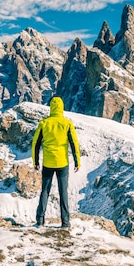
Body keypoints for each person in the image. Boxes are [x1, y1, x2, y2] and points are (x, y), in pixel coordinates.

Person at [32, 96, 80, 228]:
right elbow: (74, 143)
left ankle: (40, 220)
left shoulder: (44, 124)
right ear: (62, 108)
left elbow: (35, 144)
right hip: (62, 163)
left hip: (48, 163)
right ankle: (65, 222)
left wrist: (35, 162)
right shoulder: (67, 124)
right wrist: (77, 161)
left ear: (51, 108)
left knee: (45, 191)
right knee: (63, 192)